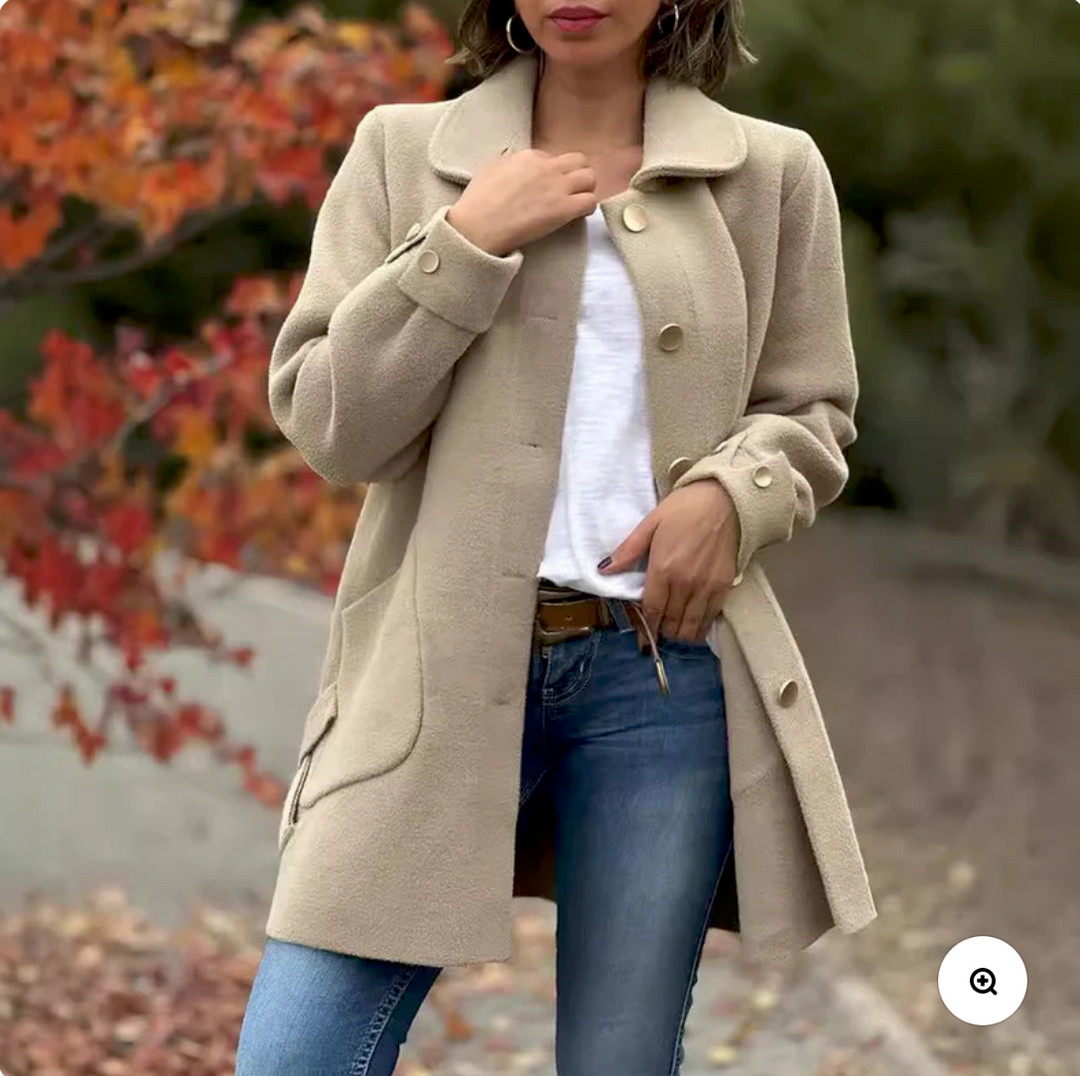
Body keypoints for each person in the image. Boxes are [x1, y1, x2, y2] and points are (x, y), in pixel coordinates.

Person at [235, 0, 877, 1070]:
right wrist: (465, 241)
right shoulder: (403, 152)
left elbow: (813, 409)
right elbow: (334, 428)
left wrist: (734, 495)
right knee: (297, 1051)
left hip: (661, 681)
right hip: (433, 669)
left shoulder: (771, 173)